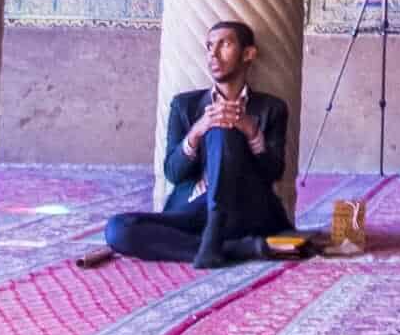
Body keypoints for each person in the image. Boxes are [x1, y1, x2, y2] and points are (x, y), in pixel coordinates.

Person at [104, 20, 305, 268]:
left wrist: (252, 132)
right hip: (194, 209)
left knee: (224, 130)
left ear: (248, 54)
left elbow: (273, 172)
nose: (213, 53)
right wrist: (197, 132)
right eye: (210, 46)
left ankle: (214, 234)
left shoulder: (270, 108)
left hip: (246, 209)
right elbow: (174, 173)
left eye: (225, 44)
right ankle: (231, 247)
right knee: (118, 230)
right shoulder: (184, 106)